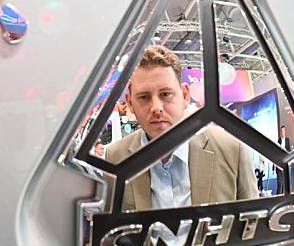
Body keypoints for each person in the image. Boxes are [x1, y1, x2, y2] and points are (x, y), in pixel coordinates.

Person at [105, 45, 258, 211]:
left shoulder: (231, 149)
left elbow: (252, 224)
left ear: (185, 95)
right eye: (144, 97)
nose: (156, 107)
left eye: (166, 94)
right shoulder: (116, 157)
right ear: (129, 103)